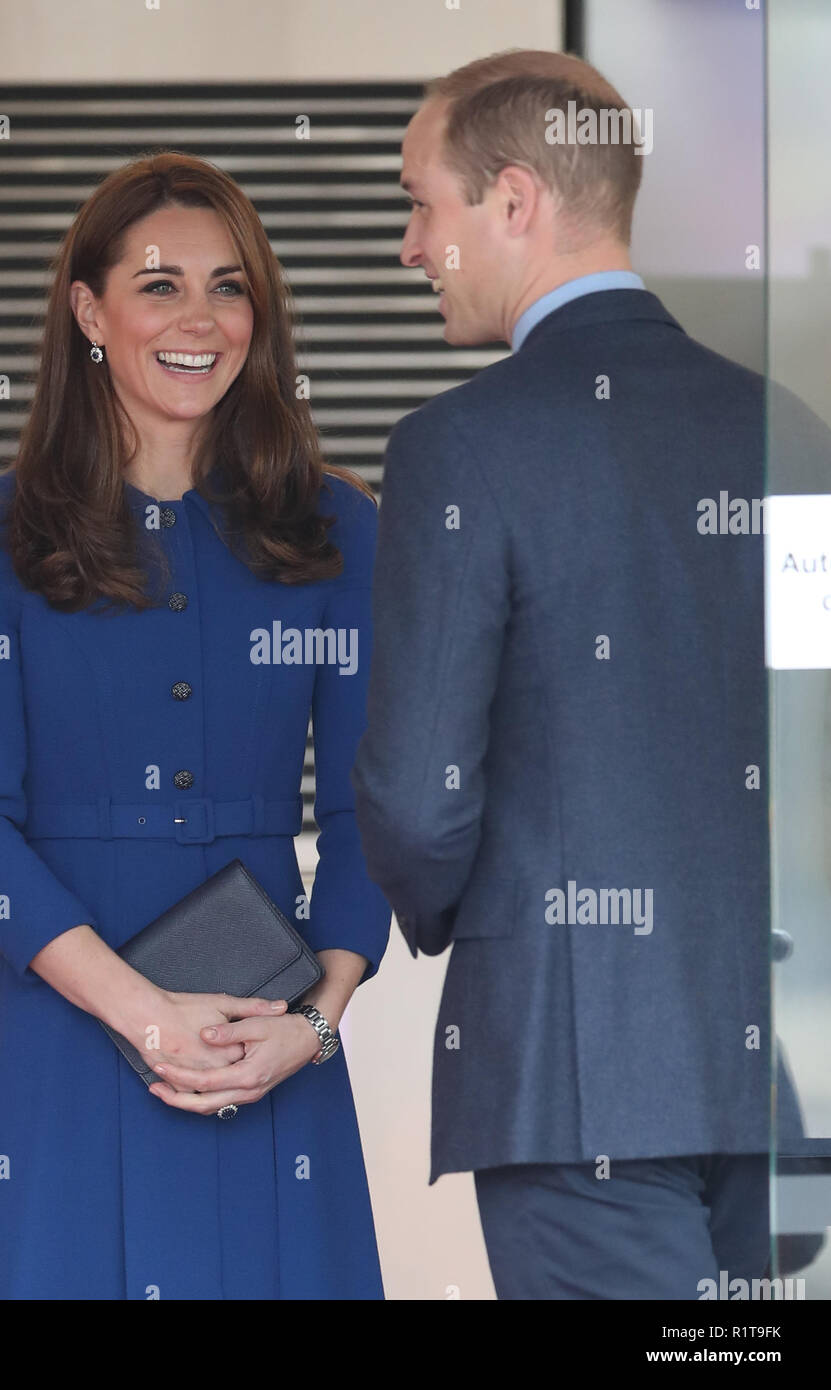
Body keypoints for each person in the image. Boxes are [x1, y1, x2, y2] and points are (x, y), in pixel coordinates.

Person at [351, 49, 826, 1300]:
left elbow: (411, 795)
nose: (409, 246)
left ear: (513, 201)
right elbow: (813, 744)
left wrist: (470, 916)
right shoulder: (788, 427)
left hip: (572, 1076)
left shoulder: (458, 447)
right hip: (763, 1070)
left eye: (420, 203)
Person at [0, 151, 391, 1299]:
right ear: (89, 309)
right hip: (70, 1032)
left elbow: (370, 805)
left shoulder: (338, 528)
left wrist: (315, 1023)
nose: (200, 318)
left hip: (263, 1039)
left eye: (228, 286)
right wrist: (139, 1013)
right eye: (158, 284)